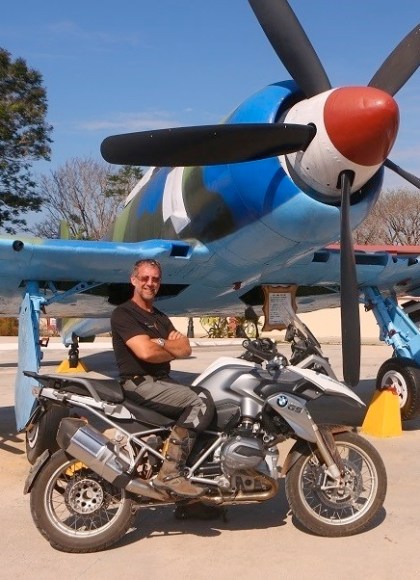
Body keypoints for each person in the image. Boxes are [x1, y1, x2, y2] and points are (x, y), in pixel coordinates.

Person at [111, 258, 214, 499]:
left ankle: (192, 501)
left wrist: (159, 343)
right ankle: (170, 474)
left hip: (162, 381)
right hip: (139, 383)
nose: (150, 283)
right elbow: (146, 353)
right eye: (145, 278)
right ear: (133, 280)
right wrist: (169, 346)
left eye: (155, 279)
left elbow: (186, 348)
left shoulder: (160, 318)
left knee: (210, 408)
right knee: (200, 402)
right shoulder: (124, 313)